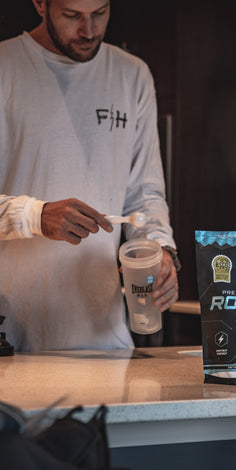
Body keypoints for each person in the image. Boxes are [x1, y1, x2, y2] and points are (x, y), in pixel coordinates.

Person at [0, 0, 180, 352]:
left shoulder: (132, 75)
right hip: (12, 339)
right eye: (72, 16)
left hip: (105, 340)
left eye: (100, 13)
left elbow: (144, 194)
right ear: (40, 4)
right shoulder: (5, 66)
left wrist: (161, 250)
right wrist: (35, 215)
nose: (88, 31)